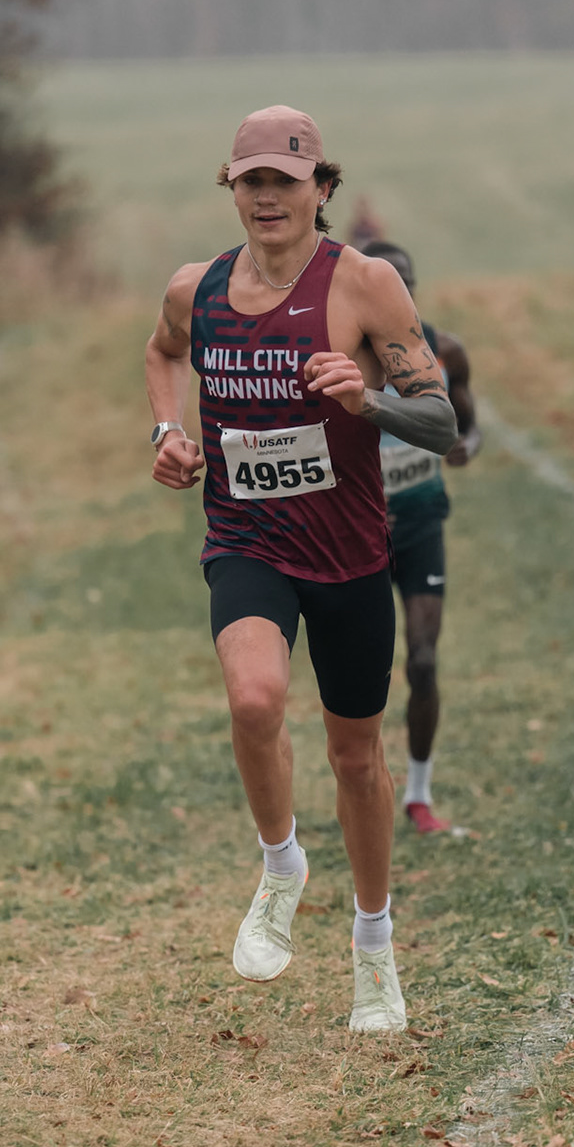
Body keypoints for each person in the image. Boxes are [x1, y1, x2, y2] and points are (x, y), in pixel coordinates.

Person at [143, 105, 457, 1033]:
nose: (267, 197)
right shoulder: (195, 289)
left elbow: (440, 420)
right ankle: (281, 865)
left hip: (350, 554)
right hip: (247, 539)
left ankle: (374, 946)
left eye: (285, 181)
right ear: (232, 189)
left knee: (356, 758)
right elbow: (162, 353)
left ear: (322, 188)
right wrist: (166, 431)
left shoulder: (364, 285)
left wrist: (367, 400)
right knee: (253, 699)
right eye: (251, 181)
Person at [363, 241, 481, 836]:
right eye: (387, 281)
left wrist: (465, 447)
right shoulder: (340, 353)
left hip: (420, 521)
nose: (398, 292)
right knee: (363, 677)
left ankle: (418, 793)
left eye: (405, 282)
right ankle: (364, 788)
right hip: (359, 530)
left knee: (425, 660)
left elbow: (469, 427)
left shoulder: (444, 350)